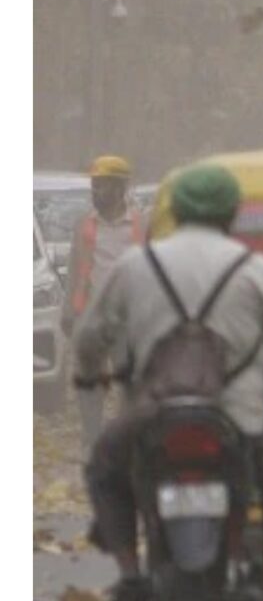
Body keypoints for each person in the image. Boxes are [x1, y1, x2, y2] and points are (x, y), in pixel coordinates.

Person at [73, 164, 263, 601]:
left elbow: (90, 338)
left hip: (151, 417)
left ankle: (129, 575)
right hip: (238, 421)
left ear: (176, 211)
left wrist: (88, 375)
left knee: (106, 466)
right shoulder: (256, 269)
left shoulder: (135, 265)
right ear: (232, 212)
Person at [67, 154, 146, 447]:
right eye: (94, 185)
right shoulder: (84, 226)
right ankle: (92, 438)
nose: (96, 192)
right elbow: (75, 270)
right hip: (91, 315)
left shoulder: (141, 224)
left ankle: (127, 437)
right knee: (90, 381)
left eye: (103, 186)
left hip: (130, 316)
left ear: (121, 188)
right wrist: (68, 311)